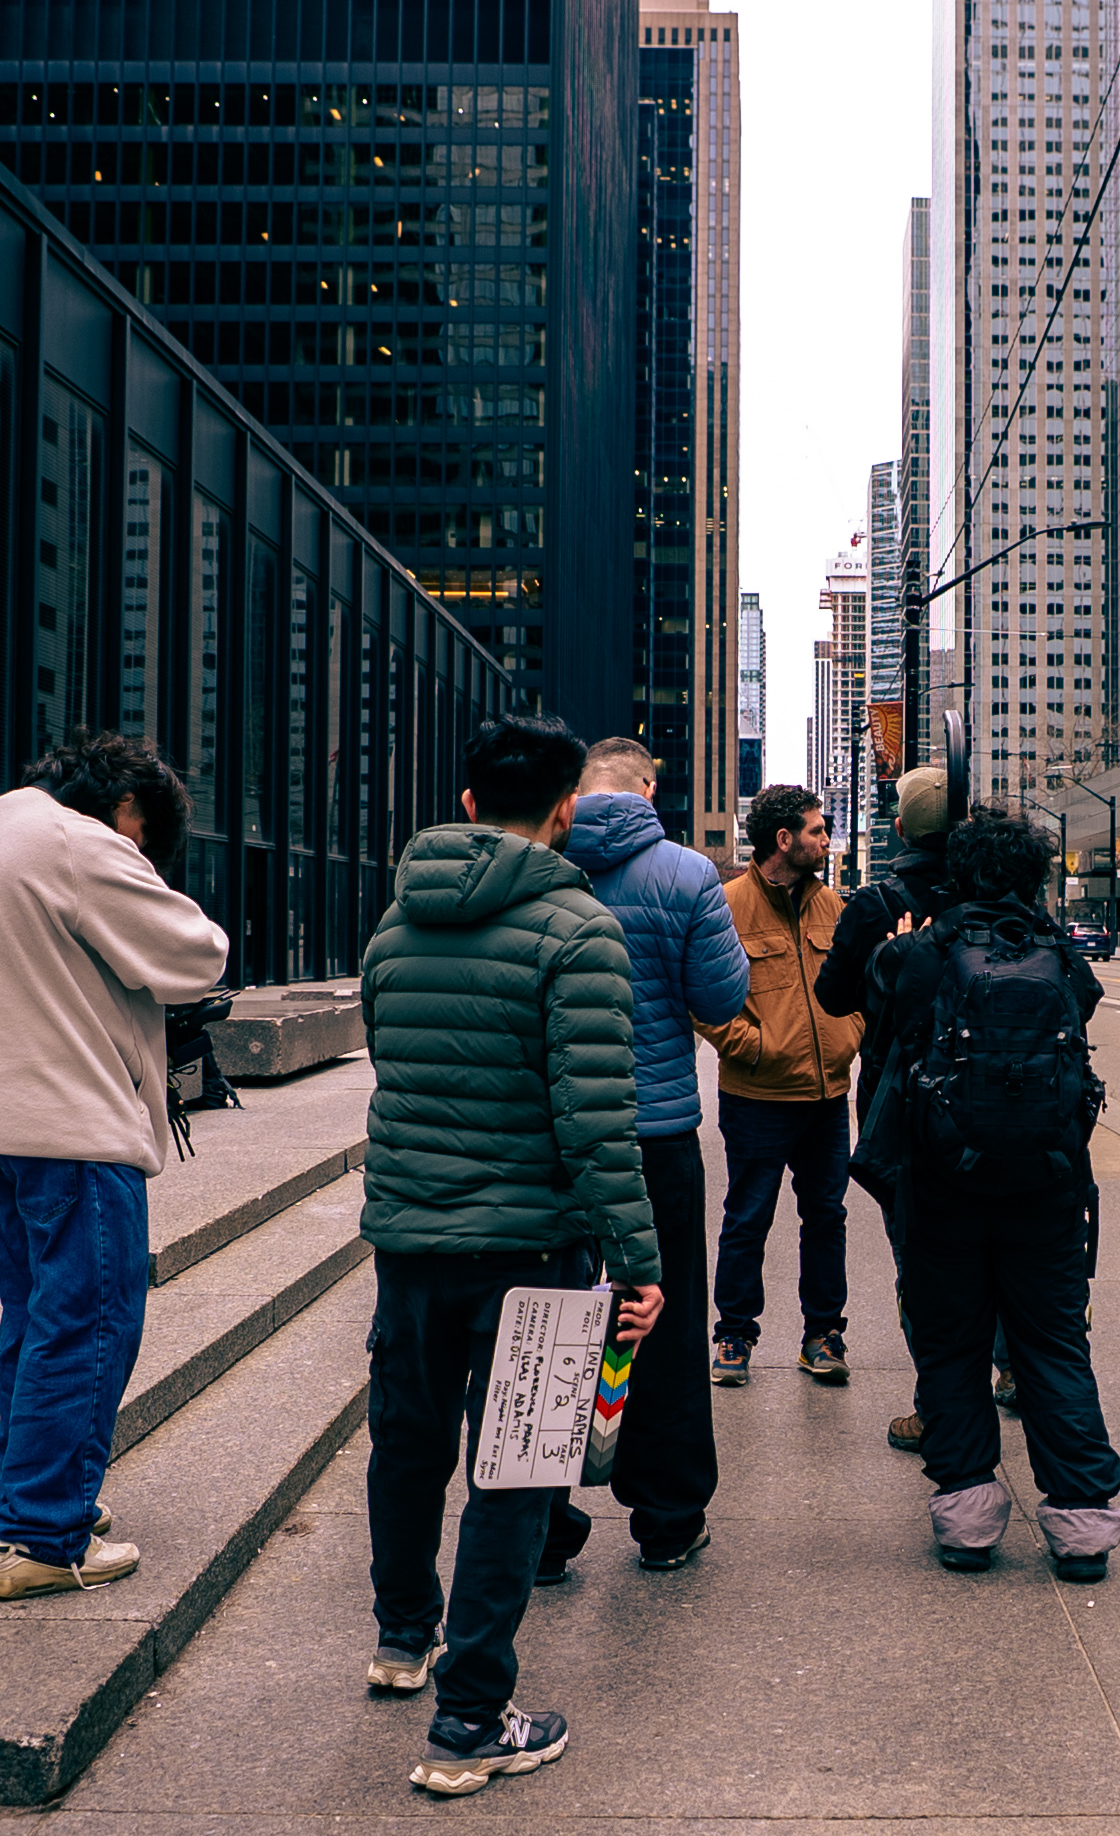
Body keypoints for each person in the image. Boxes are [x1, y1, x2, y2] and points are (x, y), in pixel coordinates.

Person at [358, 714, 666, 1798]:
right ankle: (471, 1723)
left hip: (409, 1241)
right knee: (517, 1470)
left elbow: (394, 1077)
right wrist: (638, 1257)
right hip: (534, 1246)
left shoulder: (395, 927)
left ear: (472, 804)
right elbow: (594, 1121)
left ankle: (404, 1641)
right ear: (567, 813)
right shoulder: (578, 930)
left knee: (406, 1443)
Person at [0, 731, 230, 1601]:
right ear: (130, 809)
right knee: (88, 1325)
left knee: (35, 1321)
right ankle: (42, 1536)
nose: (139, 856)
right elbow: (198, 954)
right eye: (145, 842)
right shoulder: (79, 839)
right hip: (77, 1127)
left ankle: (31, 1499)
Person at [868, 804, 1120, 1582]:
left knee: (951, 1347)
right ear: (1035, 878)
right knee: (1053, 1347)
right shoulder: (1061, 958)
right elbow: (1080, 1015)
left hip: (944, 1186)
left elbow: (881, 1007)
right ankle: (1081, 1525)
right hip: (1046, 1184)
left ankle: (969, 1520)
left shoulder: (924, 952)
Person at [539, 736, 747, 1578]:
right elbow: (721, 998)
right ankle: (667, 1517)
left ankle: (543, 1529)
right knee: (659, 1323)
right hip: (656, 1133)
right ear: (648, 788)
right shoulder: (688, 875)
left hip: (553, 1137)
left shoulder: (539, 863)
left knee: (552, 1318)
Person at [693, 784, 863, 1388]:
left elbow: (856, 986)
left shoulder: (833, 905)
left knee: (826, 1216)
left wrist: (849, 1037)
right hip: (757, 1097)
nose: (826, 839)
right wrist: (755, 1048)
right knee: (748, 1217)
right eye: (817, 831)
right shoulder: (726, 904)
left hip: (826, 1096)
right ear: (784, 840)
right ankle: (734, 1335)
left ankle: (823, 1335)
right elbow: (704, 996)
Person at [815, 767, 961, 1453]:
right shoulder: (989, 892)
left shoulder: (875, 904)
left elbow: (832, 996)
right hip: (991, 1101)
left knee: (919, 1251)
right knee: (996, 1235)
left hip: (900, 1105)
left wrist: (889, 962)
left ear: (898, 827)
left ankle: (937, 1406)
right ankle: (1011, 1364)